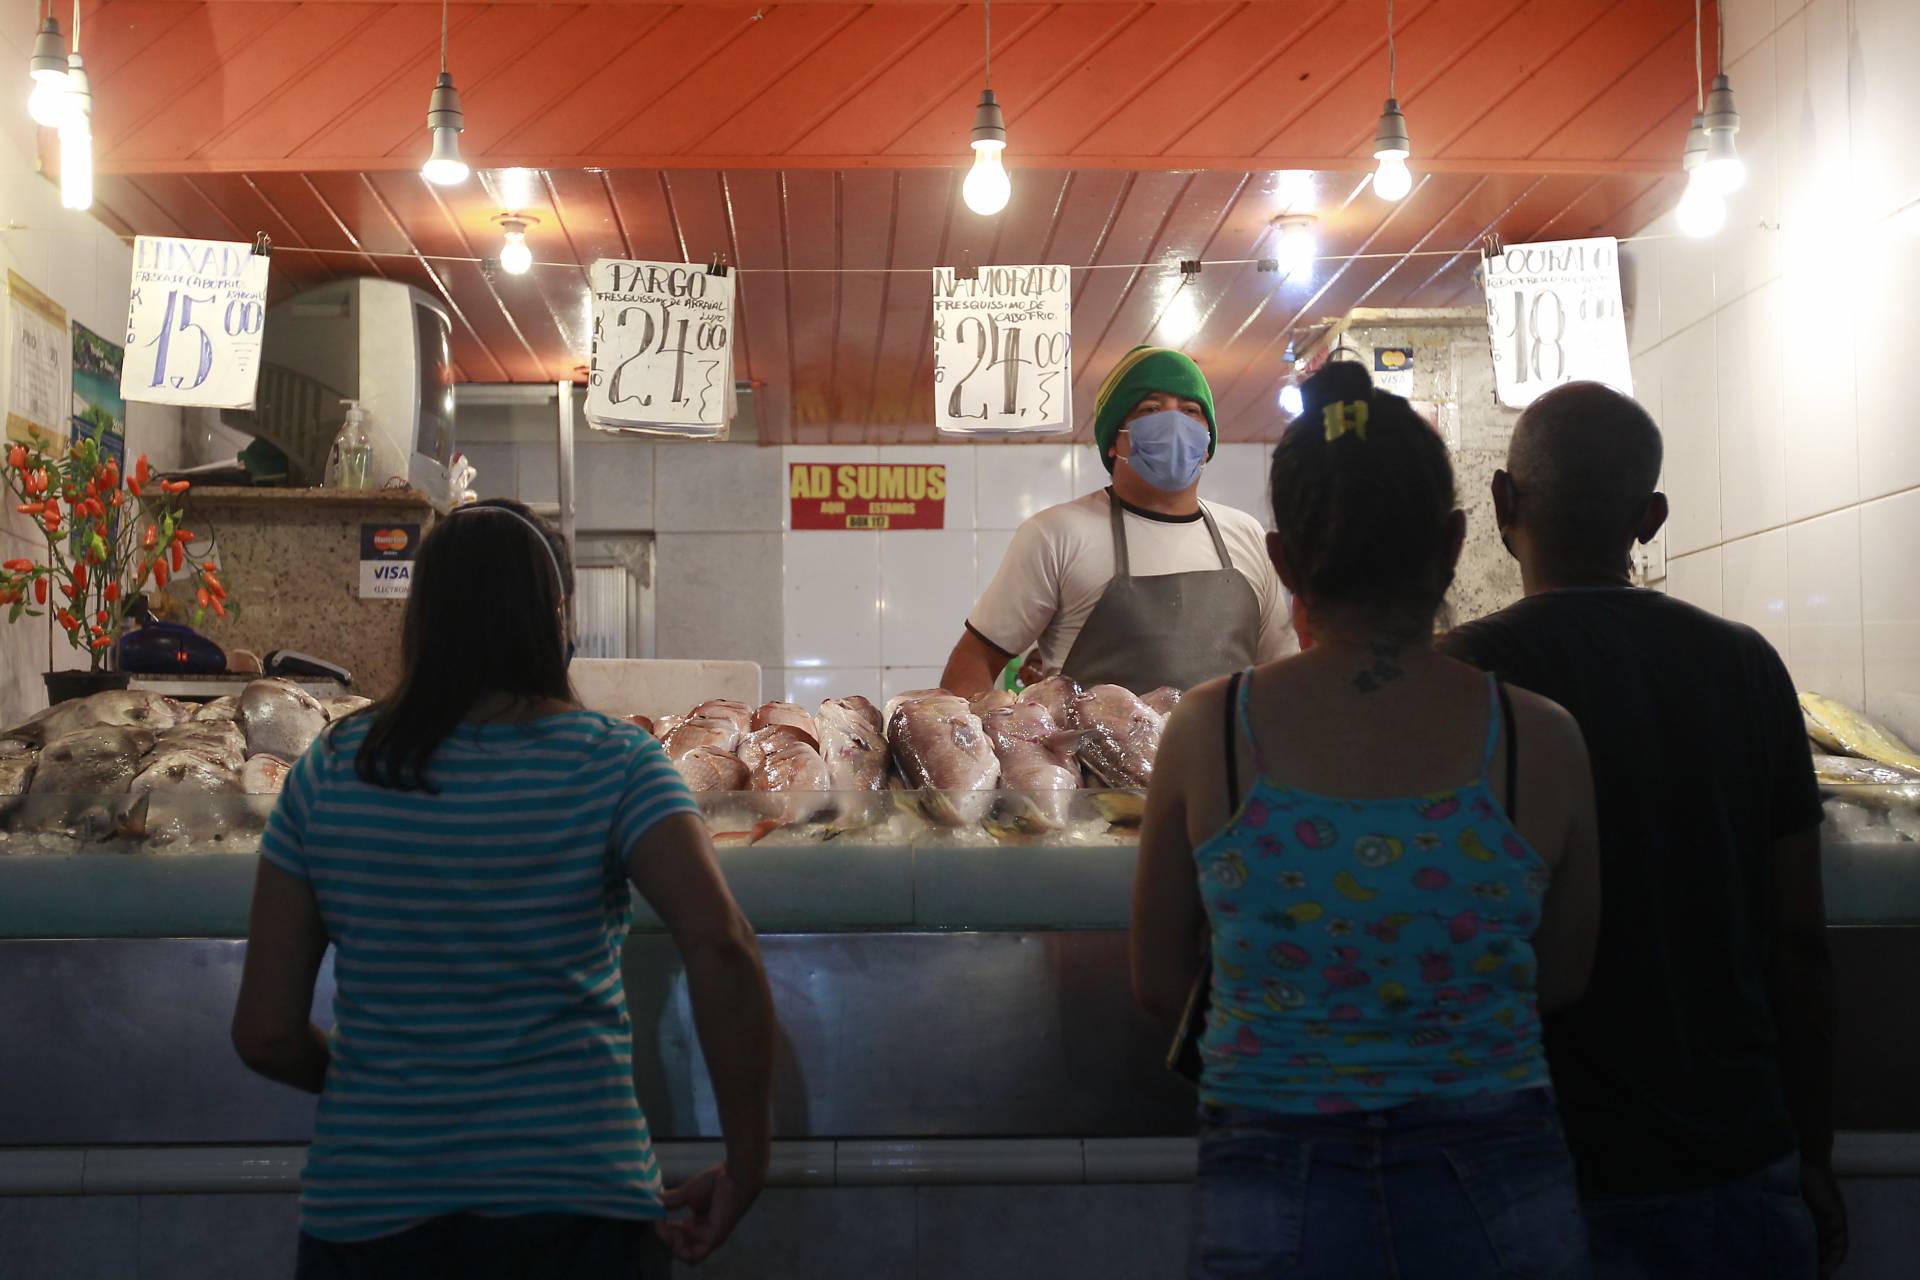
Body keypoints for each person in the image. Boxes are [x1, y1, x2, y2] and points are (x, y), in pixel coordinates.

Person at [1133, 361, 1602, 1279]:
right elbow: (1564, 977)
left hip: (1271, 1173)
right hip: (1499, 1175)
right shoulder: (1538, 739)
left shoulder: (1210, 731)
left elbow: (1159, 981)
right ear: (1459, 540)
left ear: (1281, 559)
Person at [230, 498, 775, 1278]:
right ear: (554, 616)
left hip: (371, 1212)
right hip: (571, 1208)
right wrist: (749, 1161)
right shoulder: (615, 763)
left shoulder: (332, 769)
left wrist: (376, 1087)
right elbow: (722, 946)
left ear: (421, 618)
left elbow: (265, 1031)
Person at [1440, 382, 1843, 1280]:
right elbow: (1798, 935)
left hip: (1535, 1160)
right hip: (1734, 1154)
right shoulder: (1746, 665)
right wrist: (1812, 1150)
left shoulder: (1467, 671)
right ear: (1650, 518)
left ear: (1504, 503)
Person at [940, 346, 1293, 698]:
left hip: (1230, 755)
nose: (1175, 423)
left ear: (1207, 442)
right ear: (1114, 440)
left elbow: (1284, 671)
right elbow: (974, 660)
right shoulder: (1056, 535)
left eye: (1190, 411)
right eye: (1151, 409)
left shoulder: (1245, 534)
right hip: (1088, 756)